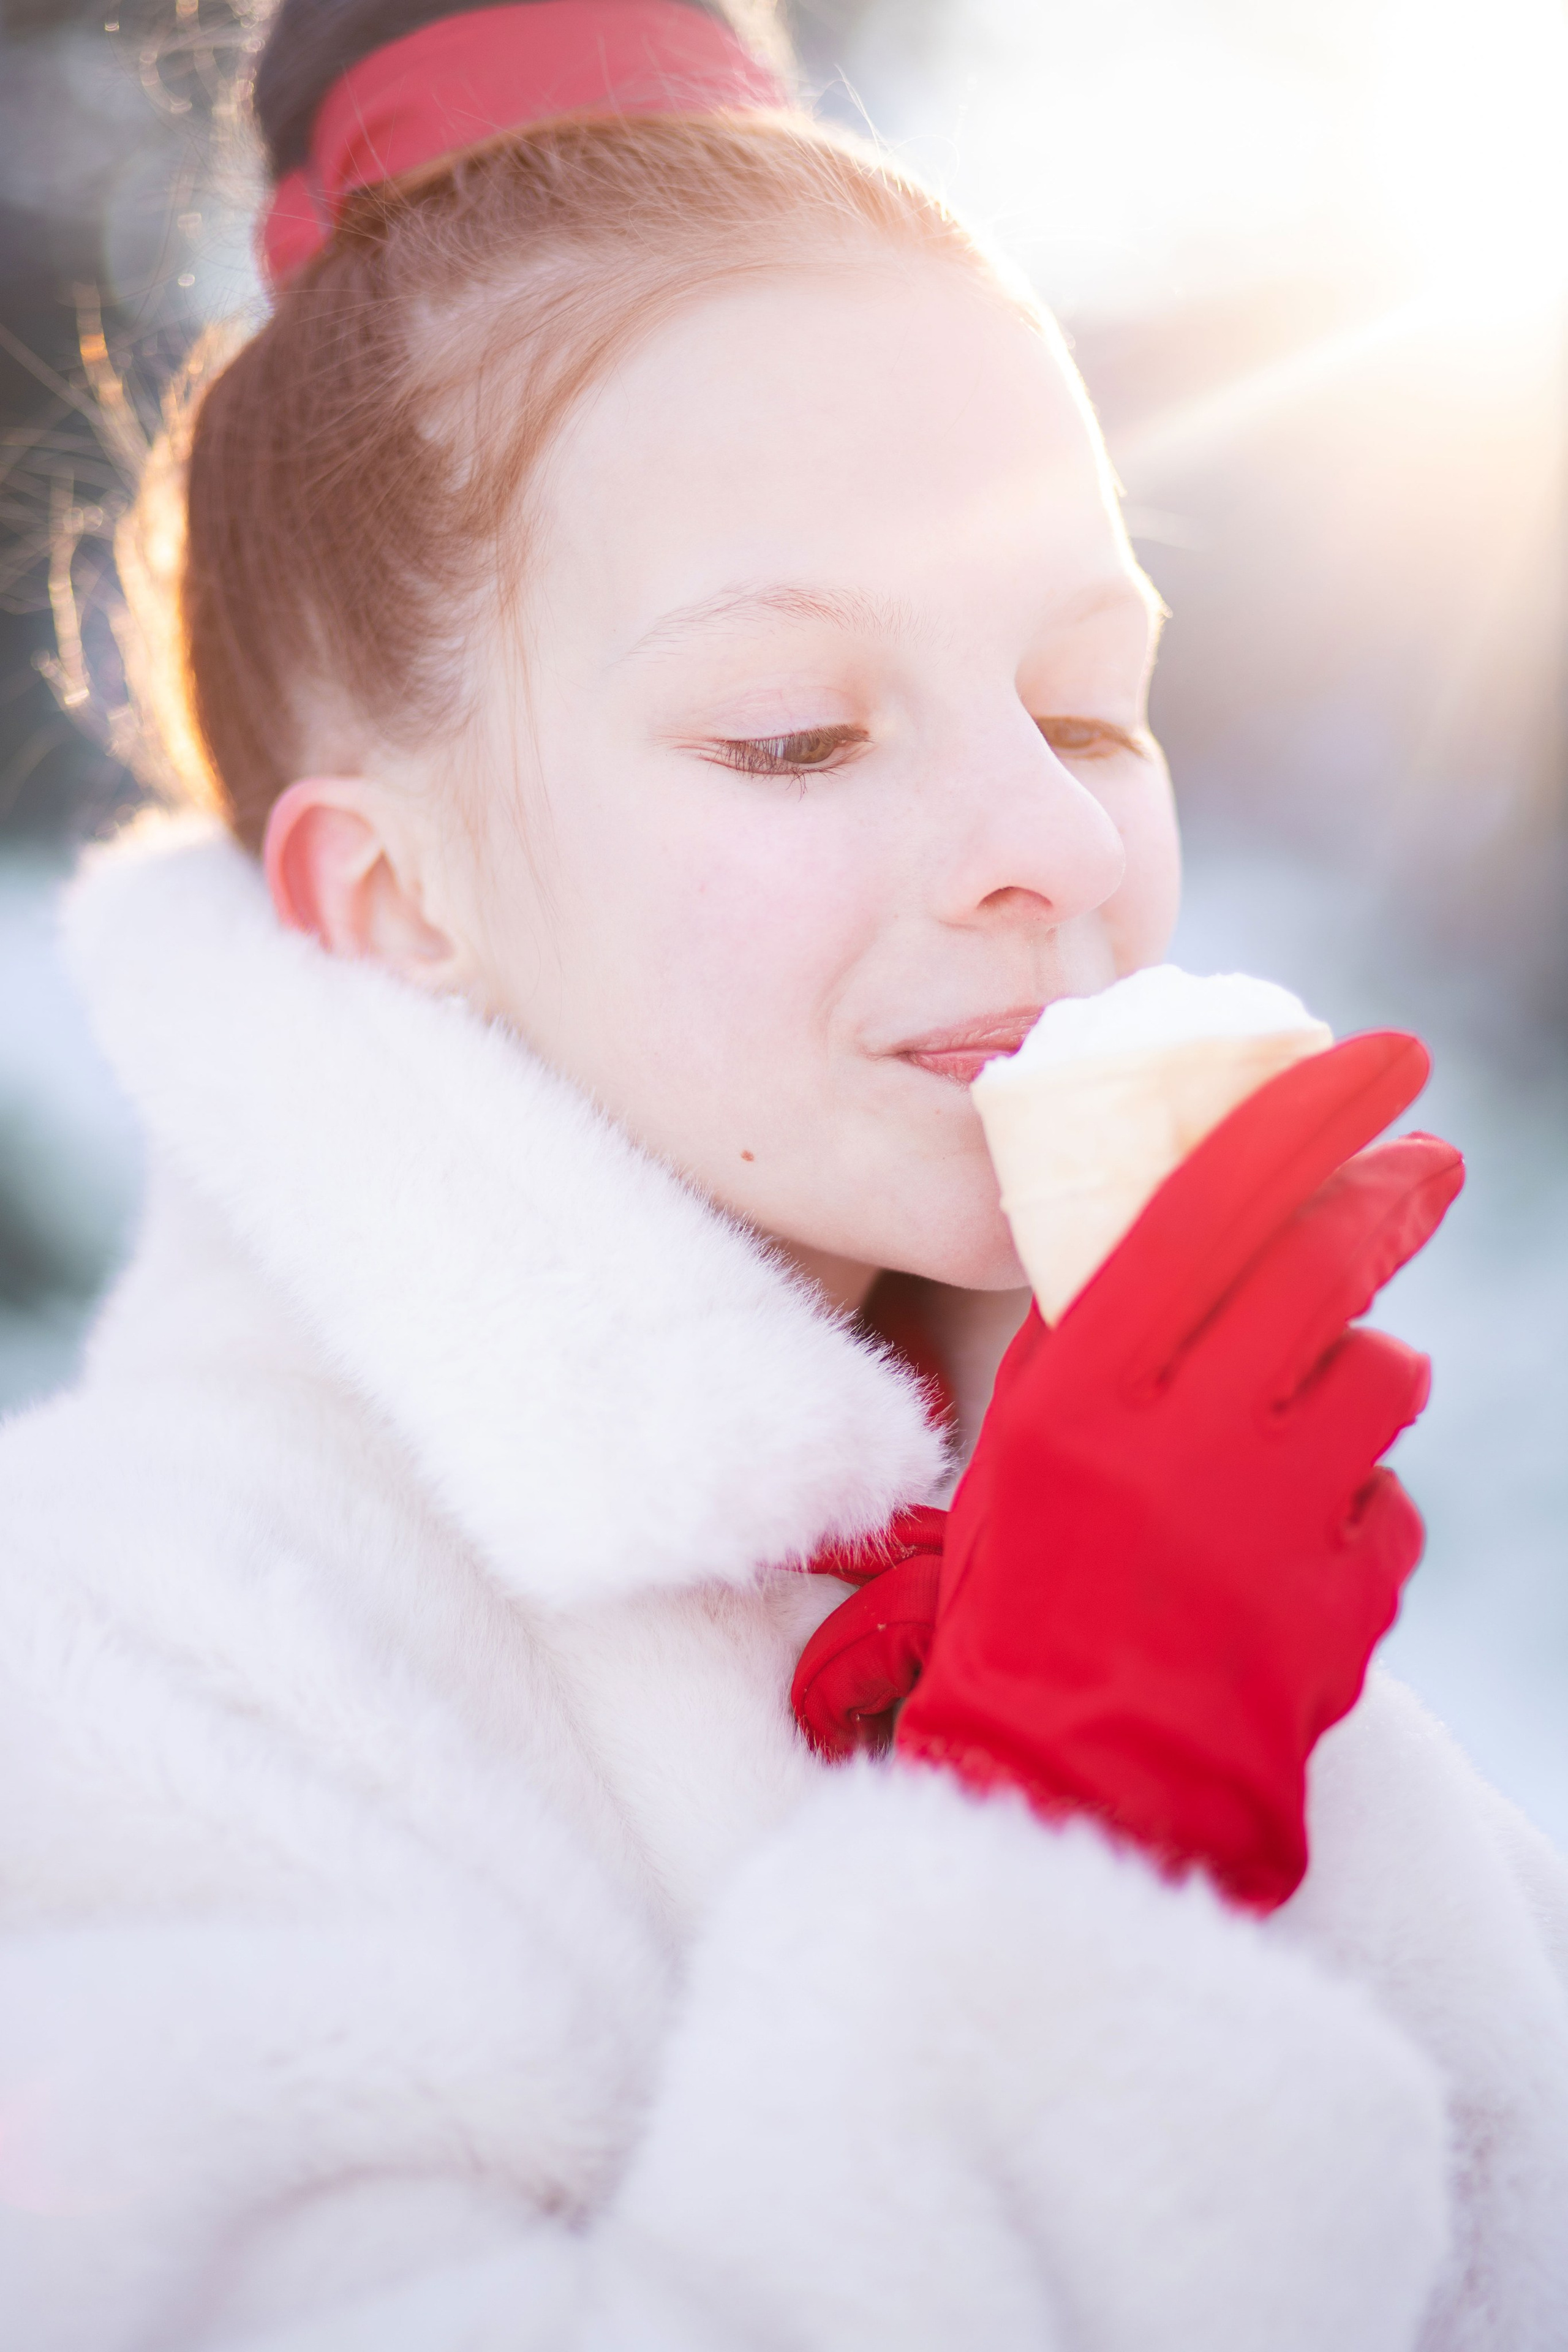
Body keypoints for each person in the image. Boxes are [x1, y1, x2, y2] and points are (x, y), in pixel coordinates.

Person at [2, 1, 1566, 2343]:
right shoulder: (121, 1662)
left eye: (1085, 703)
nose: (1050, 842)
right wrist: (1076, 1827)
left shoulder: (1112, 1494)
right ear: (392, 896)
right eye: (798, 729)